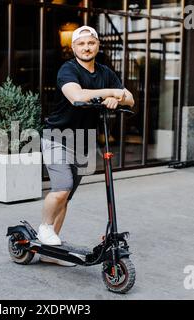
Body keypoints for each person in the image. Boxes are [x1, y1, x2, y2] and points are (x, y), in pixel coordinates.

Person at [38, 26, 135, 266]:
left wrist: (116, 98)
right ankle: (44, 228)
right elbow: (77, 96)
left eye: (91, 43)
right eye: (81, 44)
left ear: (97, 45)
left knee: (66, 197)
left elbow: (130, 99)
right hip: (57, 136)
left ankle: (51, 251)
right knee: (62, 187)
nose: (86, 48)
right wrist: (112, 92)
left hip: (83, 142)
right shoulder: (68, 69)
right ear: (73, 48)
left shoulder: (105, 72)